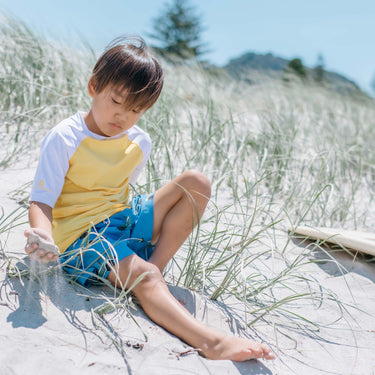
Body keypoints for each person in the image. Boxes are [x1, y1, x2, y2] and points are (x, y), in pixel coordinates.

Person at [24, 36, 274, 362]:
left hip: (119, 219)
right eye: (116, 101)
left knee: (196, 182)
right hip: (80, 239)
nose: (123, 116)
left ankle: (153, 275)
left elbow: (117, 192)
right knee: (145, 277)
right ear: (93, 87)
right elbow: (41, 200)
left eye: (136, 109)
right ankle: (211, 342)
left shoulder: (140, 141)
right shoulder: (66, 137)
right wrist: (42, 235)